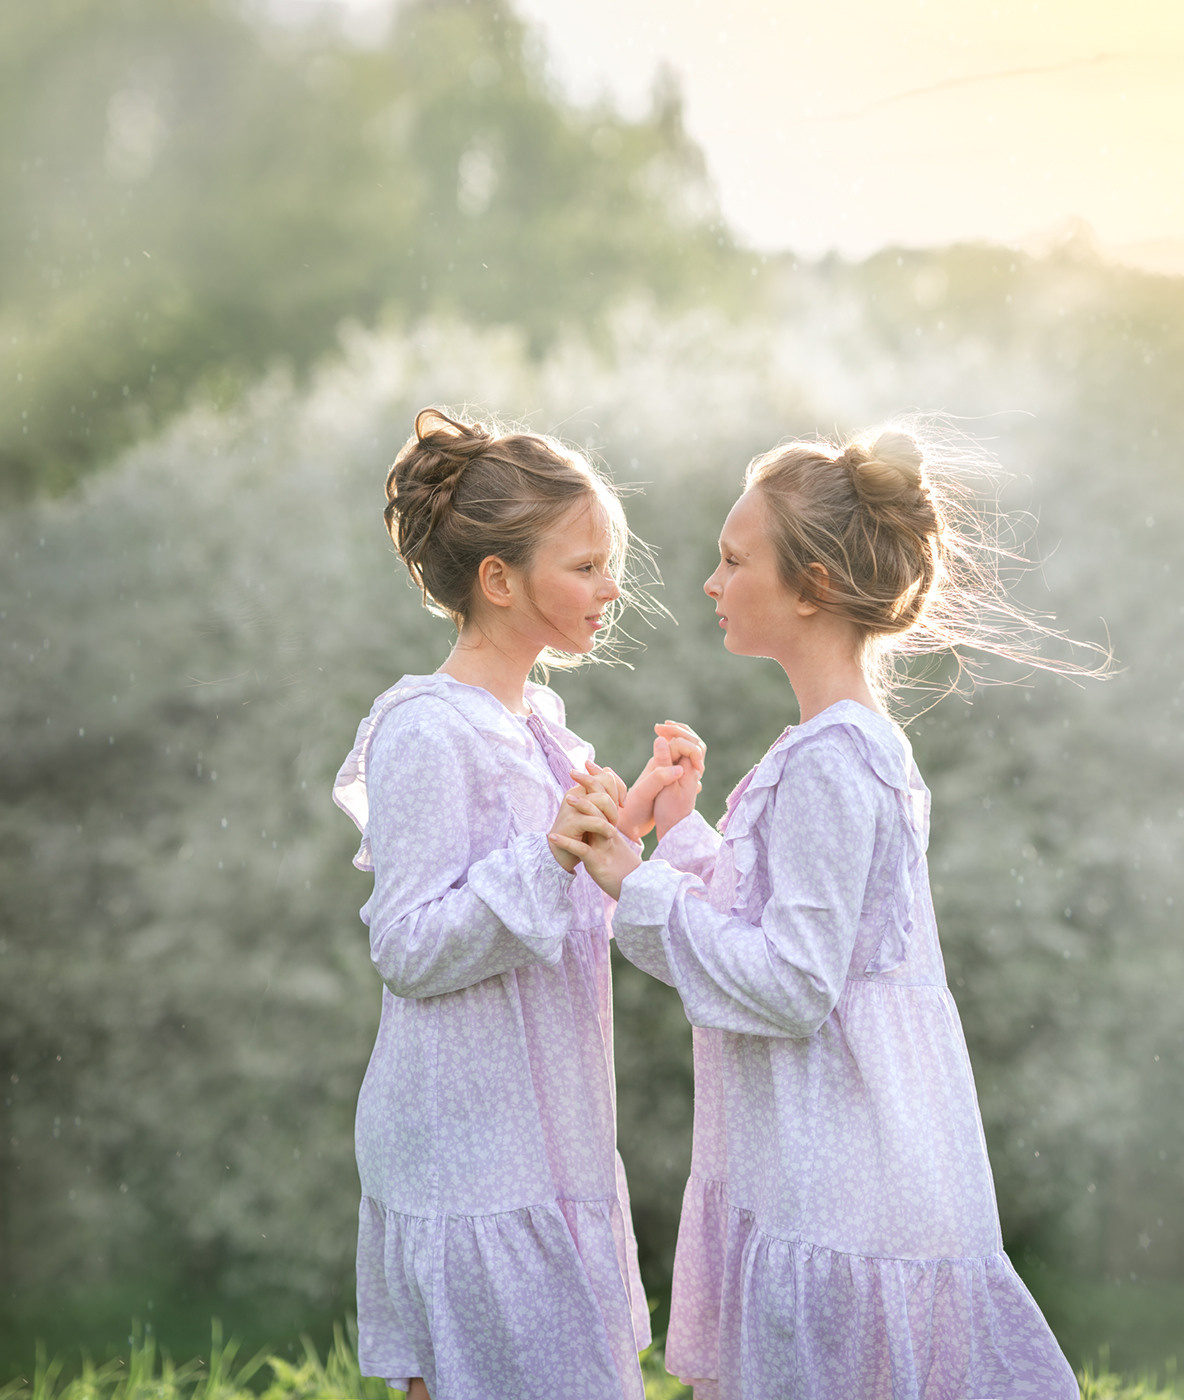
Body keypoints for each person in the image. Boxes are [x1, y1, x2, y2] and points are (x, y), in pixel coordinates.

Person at [551, 429, 1089, 1399]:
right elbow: (791, 930)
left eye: (731, 559)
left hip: (843, 1181)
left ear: (808, 586)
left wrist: (634, 880)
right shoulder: (826, 749)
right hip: (818, 1168)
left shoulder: (837, 759)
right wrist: (679, 834)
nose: (711, 583)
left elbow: (793, 983)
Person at [333, 407, 702, 1400]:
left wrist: (637, 818)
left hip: (556, 1140)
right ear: (496, 579)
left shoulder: (545, 728)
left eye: (606, 563)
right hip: (466, 1155)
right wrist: (548, 857)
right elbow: (407, 945)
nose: (607, 587)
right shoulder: (426, 729)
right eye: (582, 565)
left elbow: (557, 890)